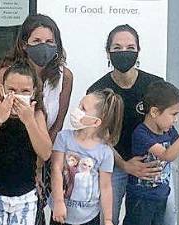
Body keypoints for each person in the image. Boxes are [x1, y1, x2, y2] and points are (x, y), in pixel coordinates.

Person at [0, 14, 73, 225]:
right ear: (24, 44)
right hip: (7, 154)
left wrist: (41, 164)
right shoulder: (8, 73)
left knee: (34, 213)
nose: (43, 46)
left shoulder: (65, 77)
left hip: (42, 151)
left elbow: (57, 123)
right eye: (36, 41)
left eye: (49, 42)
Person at [87, 24, 167, 225]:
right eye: (117, 48)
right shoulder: (97, 90)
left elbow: (168, 120)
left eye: (130, 48)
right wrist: (124, 165)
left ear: (138, 51)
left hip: (149, 166)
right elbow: (97, 136)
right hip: (112, 165)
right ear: (108, 53)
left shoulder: (155, 85)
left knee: (167, 217)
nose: (124, 52)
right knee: (108, 217)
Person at [0, 61, 52, 225]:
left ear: (33, 93)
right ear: (2, 90)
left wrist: (29, 122)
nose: (17, 95)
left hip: (25, 196)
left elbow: (45, 152)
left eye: (25, 91)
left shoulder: (36, 117)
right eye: (12, 90)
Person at [123, 81, 179, 225]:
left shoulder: (168, 130)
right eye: (173, 114)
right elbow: (168, 155)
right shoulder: (141, 133)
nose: (175, 120)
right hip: (141, 199)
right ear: (154, 112)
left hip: (161, 195)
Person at [50, 89, 124, 225]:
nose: (77, 110)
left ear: (96, 122)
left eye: (83, 109)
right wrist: (59, 202)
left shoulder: (105, 152)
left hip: (89, 218)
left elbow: (106, 187)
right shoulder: (64, 137)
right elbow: (56, 169)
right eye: (79, 105)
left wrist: (108, 219)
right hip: (61, 213)